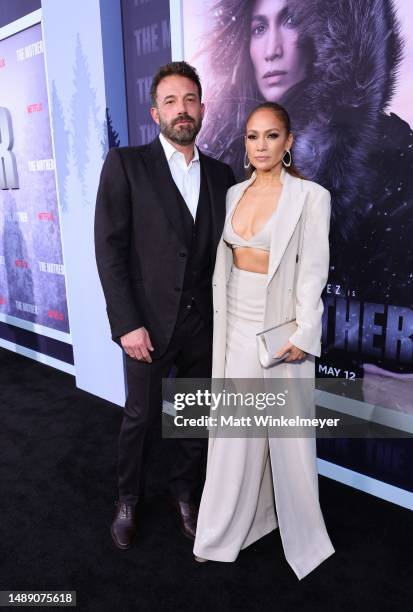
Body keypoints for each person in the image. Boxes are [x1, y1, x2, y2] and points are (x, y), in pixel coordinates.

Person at [197, 0, 413, 378]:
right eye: (259, 28)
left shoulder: (385, 153)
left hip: (325, 384)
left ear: (330, 34)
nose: (272, 49)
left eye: (291, 20)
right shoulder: (224, 167)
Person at [94, 61, 235, 550]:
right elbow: (109, 249)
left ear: (202, 108)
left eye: (190, 100)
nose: (182, 110)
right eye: (171, 101)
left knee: (193, 415)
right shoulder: (127, 164)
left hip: (204, 325)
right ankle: (128, 499)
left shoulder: (222, 174)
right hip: (147, 326)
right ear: (155, 110)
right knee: (141, 417)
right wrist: (127, 323)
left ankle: (184, 494)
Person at [193, 101, 335, 580]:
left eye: (272, 136)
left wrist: (304, 332)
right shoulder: (232, 194)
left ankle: (294, 529)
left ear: (288, 142)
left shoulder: (311, 197)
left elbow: (314, 272)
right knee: (234, 435)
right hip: (233, 323)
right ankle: (222, 532)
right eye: (253, 137)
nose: (261, 146)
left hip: (280, 329)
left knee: (288, 439)